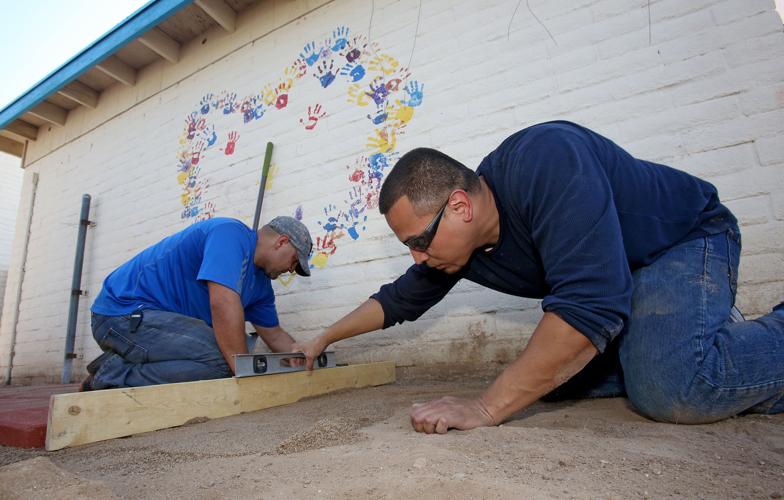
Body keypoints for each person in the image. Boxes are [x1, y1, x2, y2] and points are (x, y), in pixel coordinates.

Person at [293, 120, 784, 433]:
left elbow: (591, 304)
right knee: (556, 382)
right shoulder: (456, 249)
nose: (417, 258)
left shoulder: (546, 159)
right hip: (626, 278)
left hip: (686, 240)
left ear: (459, 205)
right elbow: (399, 300)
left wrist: (485, 408)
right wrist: (322, 339)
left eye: (418, 242)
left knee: (671, 390)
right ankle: (693, 334)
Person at [82, 216, 313, 390]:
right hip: (121, 314)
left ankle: (122, 362)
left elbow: (273, 334)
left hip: (158, 325)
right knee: (226, 359)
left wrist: (305, 358)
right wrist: (246, 374)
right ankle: (111, 376)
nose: (291, 270)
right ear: (281, 242)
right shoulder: (230, 235)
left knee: (235, 353)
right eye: (294, 261)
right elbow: (222, 304)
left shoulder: (261, 284)